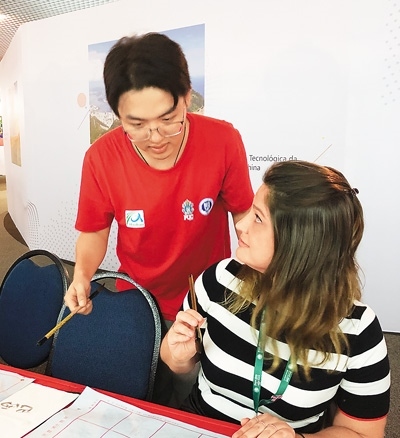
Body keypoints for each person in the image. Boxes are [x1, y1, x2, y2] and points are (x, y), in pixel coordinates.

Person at [160, 160, 391, 437]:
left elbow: (364, 433)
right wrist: (178, 357)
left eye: (258, 218)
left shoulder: (359, 332)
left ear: (299, 243)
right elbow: (176, 364)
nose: (241, 225)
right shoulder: (220, 279)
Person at [64, 32, 253, 324]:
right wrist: (81, 275)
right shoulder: (100, 158)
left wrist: (258, 274)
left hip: (209, 296)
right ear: (117, 113)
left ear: (187, 96)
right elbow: (94, 232)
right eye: (137, 125)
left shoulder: (223, 140)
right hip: (138, 300)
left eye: (168, 120)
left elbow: (243, 214)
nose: (155, 138)